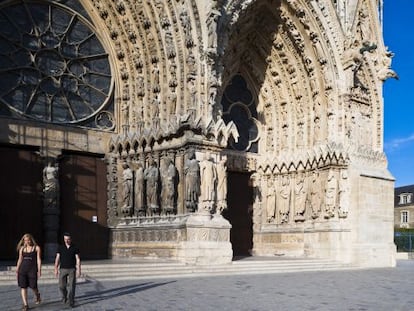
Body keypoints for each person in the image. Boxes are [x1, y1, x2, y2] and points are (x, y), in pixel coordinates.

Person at [54, 232, 81, 308]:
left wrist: (79, 270)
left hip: (72, 269)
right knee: (61, 286)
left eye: (68, 239)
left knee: (72, 286)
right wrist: (55, 268)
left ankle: (71, 301)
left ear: (71, 239)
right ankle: (64, 296)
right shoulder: (60, 247)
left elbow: (78, 259)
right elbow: (57, 258)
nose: (66, 241)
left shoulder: (75, 247)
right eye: (65, 239)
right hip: (62, 269)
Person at [16, 233, 42, 311]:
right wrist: (17, 269)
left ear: (31, 240)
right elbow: (20, 259)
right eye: (25, 240)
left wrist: (39, 270)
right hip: (23, 270)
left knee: (33, 286)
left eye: (28, 240)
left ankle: (37, 295)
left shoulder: (36, 248)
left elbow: (38, 259)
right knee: (23, 287)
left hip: (32, 270)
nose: (27, 242)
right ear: (23, 241)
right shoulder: (22, 249)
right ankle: (25, 304)